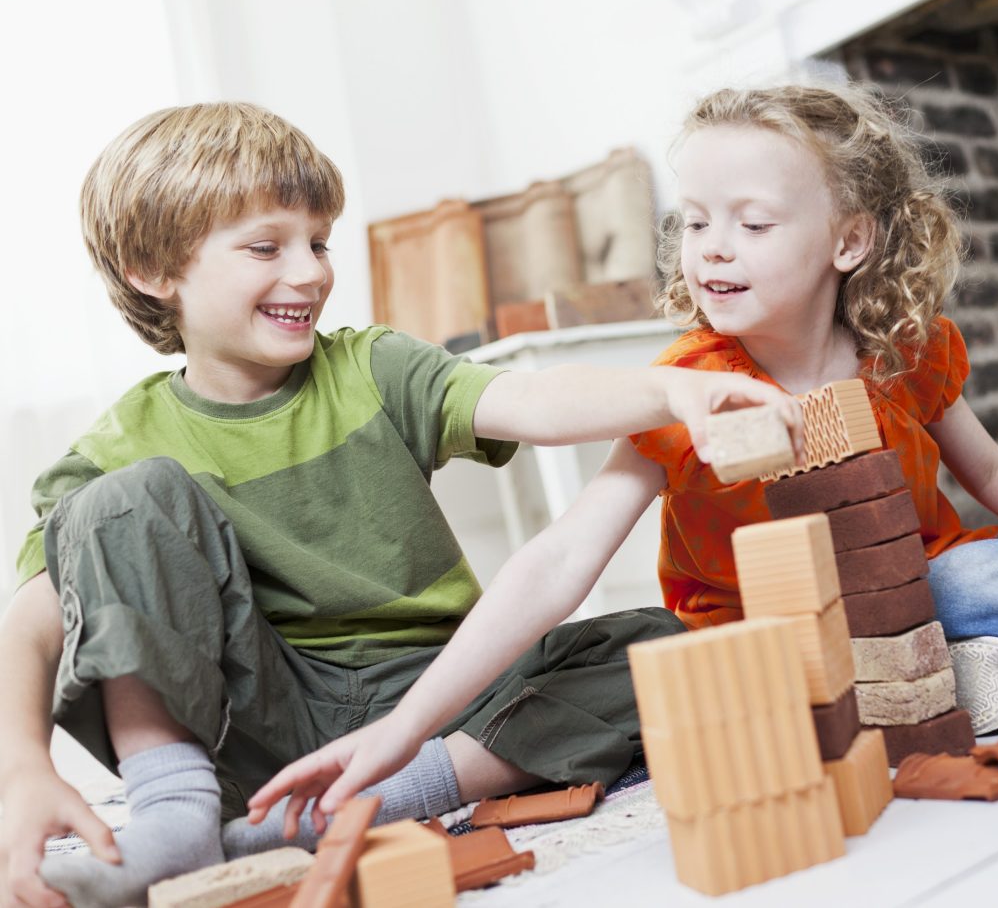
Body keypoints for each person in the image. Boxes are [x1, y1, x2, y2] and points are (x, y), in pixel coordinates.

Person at [248, 81, 998, 834]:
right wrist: (402, 731)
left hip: (929, 598)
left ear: (848, 239)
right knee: (983, 581)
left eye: (751, 222)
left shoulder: (902, 352)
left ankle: (996, 660)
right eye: (694, 221)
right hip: (787, 651)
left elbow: (996, 480)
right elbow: (558, 563)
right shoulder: (688, 389)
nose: (712, 248)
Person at [0, 101, 803, 908]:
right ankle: (174, 818)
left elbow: (533, 397)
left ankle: (364, 802)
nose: (311, 271)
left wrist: (672, 387)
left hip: (436, 696)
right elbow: (34, 625)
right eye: (265, 247)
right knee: (115, 500)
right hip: (258, 724)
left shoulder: (372, 367)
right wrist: (23, 768)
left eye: (317, 242)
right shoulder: (119, 446)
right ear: (154, 270)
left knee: (667, 649)